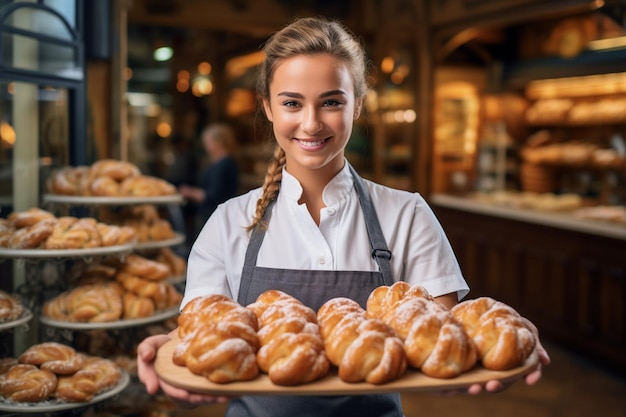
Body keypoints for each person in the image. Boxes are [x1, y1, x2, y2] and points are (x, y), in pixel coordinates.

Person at [137, 16, 550, 417]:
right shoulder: (228, 222)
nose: (311, 123)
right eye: (291, 103)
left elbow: (441, 347)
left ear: (358, 106)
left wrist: (501, 348)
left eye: (331, 102)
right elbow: (198, 347)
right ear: (268, 107)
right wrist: (174, 375)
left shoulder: (408, 214)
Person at [178, 123, 240, 233]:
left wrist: (190, 192)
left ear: (218, 142)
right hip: (212, 215)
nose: (205, 145)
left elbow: (213, 196)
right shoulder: (219, 162)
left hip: (216, 216)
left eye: (208, 142)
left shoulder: (225, 165)